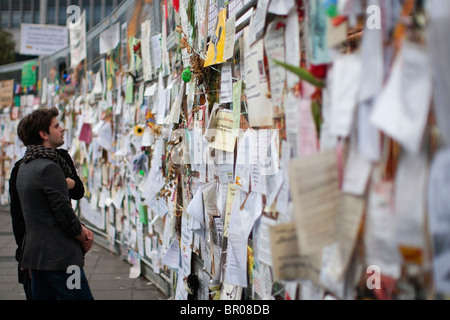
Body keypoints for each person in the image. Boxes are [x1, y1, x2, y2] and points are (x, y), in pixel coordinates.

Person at [14, 107, 94, 300]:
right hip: (62, 260)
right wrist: (81, 234)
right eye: (56, 126)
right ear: (43, 134)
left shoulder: (25, 166)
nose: (62, 129)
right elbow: (63, 213)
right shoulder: (49, 167)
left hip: (37, 259)